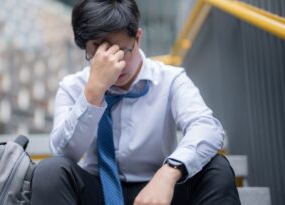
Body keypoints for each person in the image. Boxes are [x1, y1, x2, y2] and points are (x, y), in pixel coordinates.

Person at [31, 0, 240, 204]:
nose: (115, 64)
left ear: (137, 37)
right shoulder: (73, 86)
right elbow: (62, 154)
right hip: (97, 190)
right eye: (99, 53)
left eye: (121, 51)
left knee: (217, 168)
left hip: (158, 191)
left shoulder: (170, 79)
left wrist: (169, 172)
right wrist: (94, 92)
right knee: (50, 171)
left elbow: (207, 128)